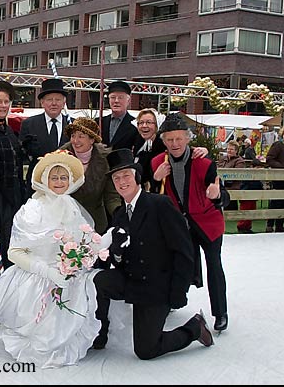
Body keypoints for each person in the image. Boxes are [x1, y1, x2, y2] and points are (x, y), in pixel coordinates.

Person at [0, 150, 106, 369]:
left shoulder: (73, 208)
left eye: (63, 177)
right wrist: (48, 272)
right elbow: (14, 252)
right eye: (54, 177)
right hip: (35, 277)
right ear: (45, 180)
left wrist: (95, 250)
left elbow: (84, 243)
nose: (59, 182)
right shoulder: (32, 209)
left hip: (67, 279)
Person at [92, 148, 214, 359]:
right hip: (132, 280)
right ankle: (100, 332)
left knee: (146, 350)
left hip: (156, 286)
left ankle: (195, 327)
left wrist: (179, 291)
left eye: (126, 175)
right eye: (116, 178)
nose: (122, 181)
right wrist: (114, 255)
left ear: (137, 177)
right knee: (98, 280)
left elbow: (184, 251)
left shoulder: (160, 205)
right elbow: (117, 257)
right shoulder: (120, 215)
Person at [151, 113, 231, 333]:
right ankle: (172, 301)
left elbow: (223, 196)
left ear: (188, 139)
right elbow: (149, 195)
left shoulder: (203, 163)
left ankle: (220, 313)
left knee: (214, 265)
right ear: (163, 141)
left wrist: (216, 195)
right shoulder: (158, 163)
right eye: (169, 139)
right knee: (175, 263)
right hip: (180, 225)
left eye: (179, 139)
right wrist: (155, 179)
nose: (174, 144)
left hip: (208, 223)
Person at [0, 80, 27, 268]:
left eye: (6, 102)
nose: (3, 106)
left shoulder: (9, 130)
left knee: (12, 240)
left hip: (14, 194)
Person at [60, 117, 121, 234]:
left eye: (81, 136)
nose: (75, 141)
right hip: (66, 223)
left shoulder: (105, 160)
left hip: (95, 223)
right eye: (73, 136)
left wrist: (118, 213)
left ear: (92, 139)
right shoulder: (61, 157)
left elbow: (111, 195)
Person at [19, 78, 71, 195]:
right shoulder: (29, 124)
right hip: (38, 186)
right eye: (49, 100)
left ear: (64, 102)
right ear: (42, 102)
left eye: (58, 100)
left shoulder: (73, 125)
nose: (53, 103)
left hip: (65, 187)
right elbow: (22, 155)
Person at [264, 125, 284, 233]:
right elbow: (269, 159)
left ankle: (279, 224)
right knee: (275, 201)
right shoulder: (278, 145)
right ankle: (270, 224)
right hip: (278, 177)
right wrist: (281, 167)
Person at [100, 80, 139, 150]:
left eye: (120, 97)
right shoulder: (99, 122)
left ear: (128, 101)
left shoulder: (135, 125)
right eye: (113, 97)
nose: (116, 101)